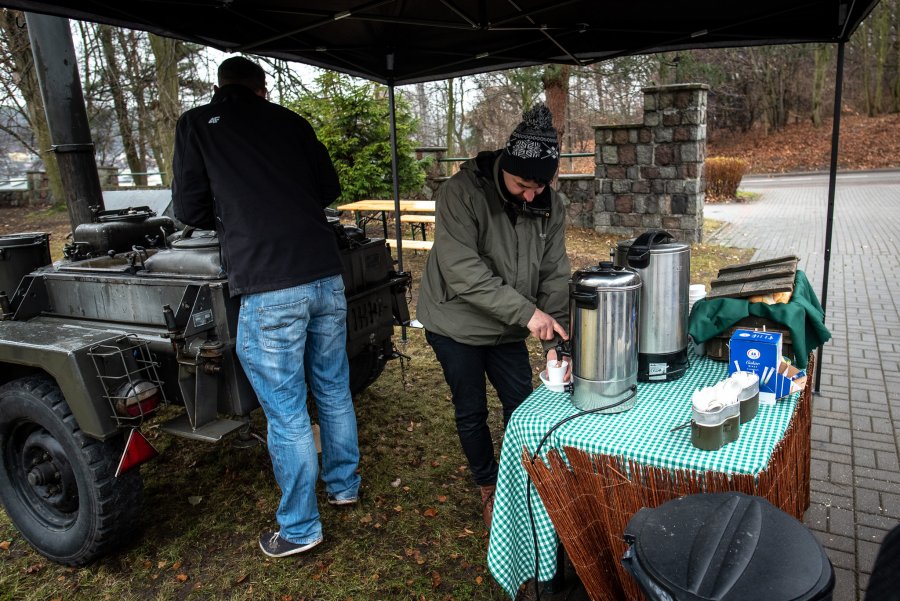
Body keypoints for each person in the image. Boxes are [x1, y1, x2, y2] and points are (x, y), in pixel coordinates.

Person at [172, 56, 360, 558]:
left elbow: (189, 209)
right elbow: (328, 187)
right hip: (324, 273)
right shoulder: (292, 121)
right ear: (262, 88)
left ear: (220, 86)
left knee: (288, 412)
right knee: (334, 389)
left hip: (268, 283)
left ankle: (300, 529)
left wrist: (237, 211)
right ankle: (344, 486)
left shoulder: (197, 124)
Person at [416, 103, 571, 529]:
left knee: (522, 406)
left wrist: (555, 338)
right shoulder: (460, 193)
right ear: (505, 165)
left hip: (508, 323)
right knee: (471, 410)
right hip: (455, 321)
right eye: (523, 184)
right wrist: (527, 314)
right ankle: (488, 486)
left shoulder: (550, 204)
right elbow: (462, 269)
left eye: (541, 186)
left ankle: (524, 482)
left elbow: (555, 271)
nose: (531, 195)